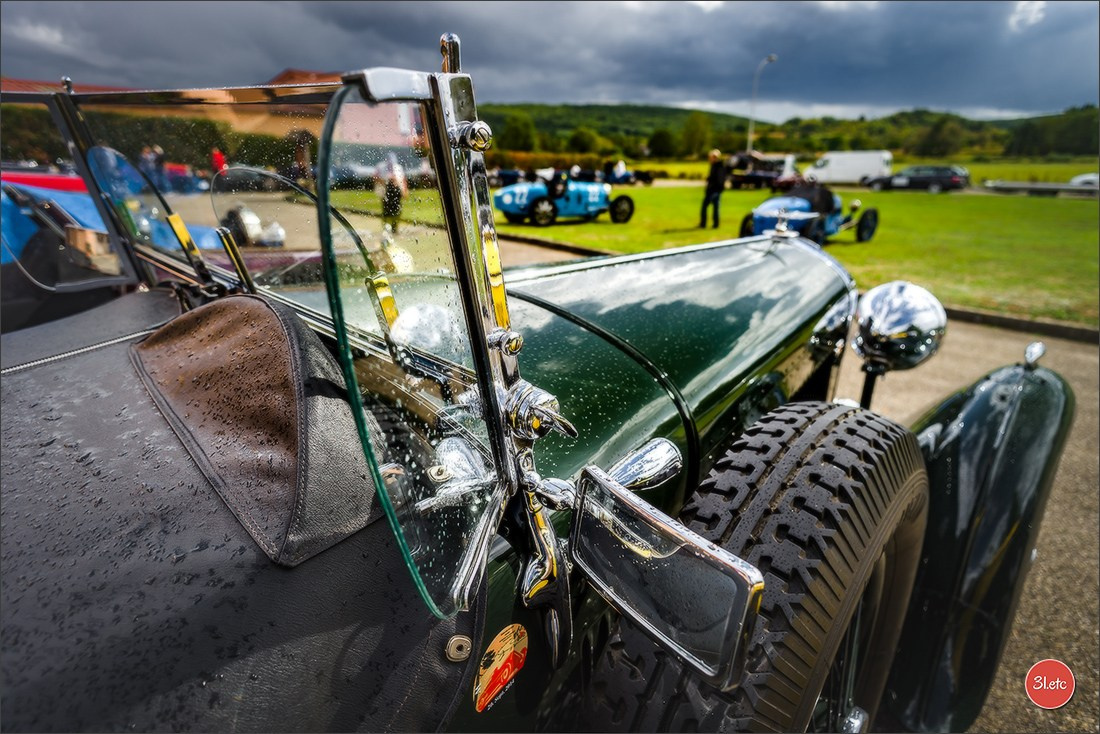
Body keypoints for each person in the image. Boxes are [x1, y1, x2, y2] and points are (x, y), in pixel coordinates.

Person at [380, 153, 408, 233]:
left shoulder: (398, 167)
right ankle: (386, 227)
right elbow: (377, 177)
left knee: (397, 210)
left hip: (397, 191)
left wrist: (404, 190)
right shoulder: (382, 167)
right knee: (386, 211)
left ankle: (394, 227)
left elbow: (402, 179)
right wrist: (387, 180)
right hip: (386, 191)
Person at [700, 148, 726, 229]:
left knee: (705, 206)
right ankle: (715, 225)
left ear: (715, 157)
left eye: (711, 157)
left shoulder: (719, 167)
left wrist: (710, 181)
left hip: (714, 191)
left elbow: (718, 180)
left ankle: (703, 224)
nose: (710, 158)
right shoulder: (715, 166)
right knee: (715, 208)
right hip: (715, 190)